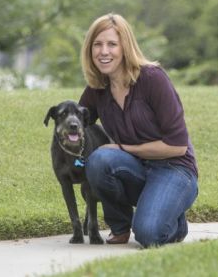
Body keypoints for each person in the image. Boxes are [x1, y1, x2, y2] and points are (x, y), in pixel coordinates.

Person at [78, 13, 198, 248]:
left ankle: (175, 222)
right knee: (100, 160)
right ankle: (120, 227)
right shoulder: (97, 88)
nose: (104, 51)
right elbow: (78, 122)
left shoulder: (153, 78)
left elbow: (177, 146)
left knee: (149, 235)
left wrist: (122, 147)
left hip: (175, 169)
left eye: (112, 44)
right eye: (97, 44)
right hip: (136, 168)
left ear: (125, 47)